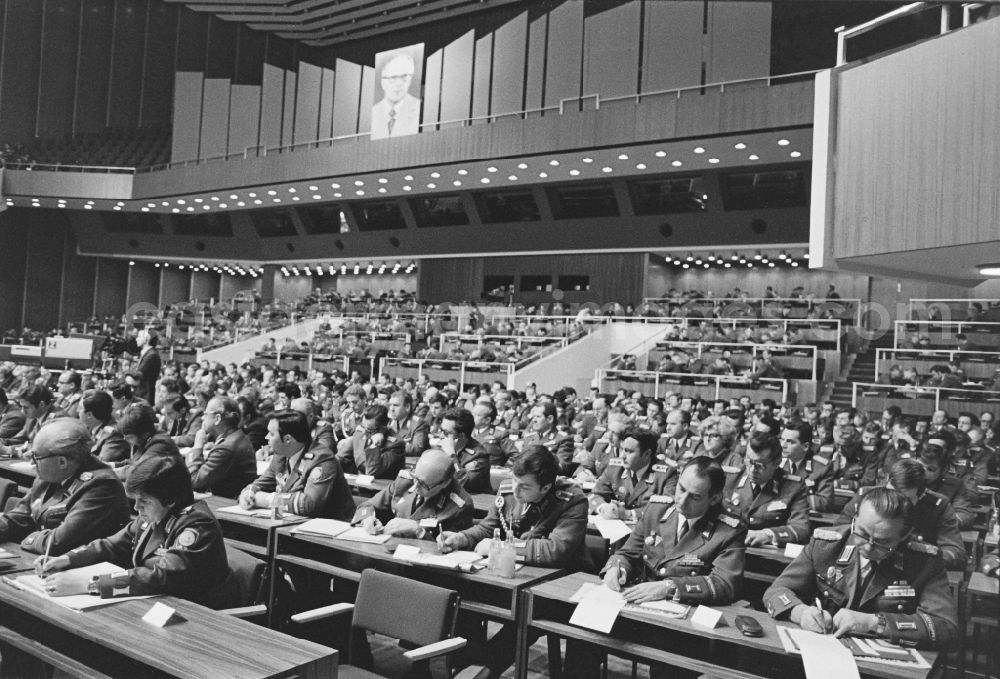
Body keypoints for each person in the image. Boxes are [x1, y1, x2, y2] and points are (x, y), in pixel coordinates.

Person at [763, 487, 958, 650]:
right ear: (855, 519)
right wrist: (801, 612)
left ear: (905, 535)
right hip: (822, 650)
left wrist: (874, 623)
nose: (868, 546)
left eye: (883, 542)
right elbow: (776, 591)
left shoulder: (924, 562)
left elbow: (945, 627)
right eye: (862, 533)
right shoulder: (827, 544)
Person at [38, 455, 239, 610]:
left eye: (144, 502)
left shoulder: (197, 525)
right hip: (157, 602)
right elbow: (111, 545)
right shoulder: (156, 513)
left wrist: (90, 584)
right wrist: (66, 559)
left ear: (170, 499)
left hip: (195, 614)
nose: (136, 509)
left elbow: (160, 577)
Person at [601, 456, 747, 606]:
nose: (682, 501)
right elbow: (627, 554)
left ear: (714, 499)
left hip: (686, 609)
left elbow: (724, 583)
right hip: (641, 603)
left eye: (695, 497)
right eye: (681, 489)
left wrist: (668, 587)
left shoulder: (728, 531)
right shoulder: (656, 510)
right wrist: (618, 569)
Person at [439, 444, 591, 570]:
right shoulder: (507, 490)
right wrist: (463, 538)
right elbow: (489, 527)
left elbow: (555, 551)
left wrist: (500, 548)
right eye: (514, 480)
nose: (515, 490)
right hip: (517, 569)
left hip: (563, 576)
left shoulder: (572, 500)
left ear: (545, 488)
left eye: (524, 487)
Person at [0, 418, 129, 555]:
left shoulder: (101, 486)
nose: (31, 461)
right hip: (43, 560)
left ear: (62, 461)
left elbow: (58, 543)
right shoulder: (50, 475)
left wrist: (28, 538)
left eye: (36, 456)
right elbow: (20, 517)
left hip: (80, 569)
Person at [836, 459, 966, 570]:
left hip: (910, 570)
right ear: (887, 481)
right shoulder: (867, 497)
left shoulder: (938, 506)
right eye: (890, 492)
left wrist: (911, 552)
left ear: (921, 495)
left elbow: (956, 554)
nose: (895, 502)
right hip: (863, 562)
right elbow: (839, 534)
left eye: (905, 499)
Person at [239, 410, 355, 520]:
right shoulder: (281, 456)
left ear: (288, 439)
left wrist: (268, 499)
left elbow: (309, 505)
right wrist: (248, 494)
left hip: (331, 530)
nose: (266, 437)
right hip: (293, 524)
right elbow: (259, 484)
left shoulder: (322, 460)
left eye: (271, 434)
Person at [352, 447, 474, 538]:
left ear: (445, 483)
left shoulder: (460, 505)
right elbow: (368, 505)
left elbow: (450, 547)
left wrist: (418, 530)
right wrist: (368, 518)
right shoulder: (405, 480)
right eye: (415, 476)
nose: (415, 486)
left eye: (423, 484)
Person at [724, 434, 810, 546]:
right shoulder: (730, 477)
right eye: (749, 461)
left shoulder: (793, 487)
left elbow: (801, 529)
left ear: (777, 463)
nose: (752, 470)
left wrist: (768, 535)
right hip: (728, 547)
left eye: (760, 465)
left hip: (764, 555)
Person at [590, 429, 672, 522]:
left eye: (629, 451)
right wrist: (604, 507)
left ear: (647, 454)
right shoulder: (615, 467)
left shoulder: (666, 474)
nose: (622, 456)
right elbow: (595, 494)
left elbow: (666, 509)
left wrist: (628, 514)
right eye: (622, 450)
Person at [187, 396, 257, 498]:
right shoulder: (238, 437)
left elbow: (195, 482)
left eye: (206, 414)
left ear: (217, 419)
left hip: (227, 504)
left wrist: (197, 446)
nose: (202, 418)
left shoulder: (226, 447)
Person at [115, 401, 182, 479]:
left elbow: (138, 471)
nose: (125, 439)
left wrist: (109, 472)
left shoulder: (160, 444)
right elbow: (135, 462)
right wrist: (113, 465)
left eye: (129, 437)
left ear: (144, 434)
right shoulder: (146, 439)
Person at [337, 404, 407, 478]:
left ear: (383, 427)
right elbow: (342, 457)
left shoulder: (396, 444)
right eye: (364, 426)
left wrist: (375, 445)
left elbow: (372, 471)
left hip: (382, 487)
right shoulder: (360, 432)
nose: (364, 432)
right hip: (360, 484)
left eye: (370, 430)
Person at [778, 420, 835, 512]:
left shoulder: (821, 467)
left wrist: (788, 499)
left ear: (805, 446)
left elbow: (825, 503)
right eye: (782, 439)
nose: (783, 445)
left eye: (790, 442)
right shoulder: (775, 463)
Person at [439, 407, 491, 493]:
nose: (441, 436)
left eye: (446, 433)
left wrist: (452, 456)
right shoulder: (441, 448)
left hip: (475, 502)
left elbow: (462, 483)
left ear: (462, 436)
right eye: (441, 430)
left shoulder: (479, 456)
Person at [370, 52, 421, 140]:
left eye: (404, 77)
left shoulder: (420, 108)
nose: (398, 84)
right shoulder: (372, 112)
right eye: (393, 78)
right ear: (382, 81)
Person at [79, 389, 129, 464]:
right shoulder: (90, 426)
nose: (77, 410)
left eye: (80, 408)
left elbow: (101, 464)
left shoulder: (114, 436)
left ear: (89, 415)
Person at [133, 328, 162, 403]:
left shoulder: (151, 356)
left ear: (147, 339)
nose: (136, 339)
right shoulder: (148, 353)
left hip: (145, 397)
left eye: (139, 336)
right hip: (142, 395)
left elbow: (137, 375)